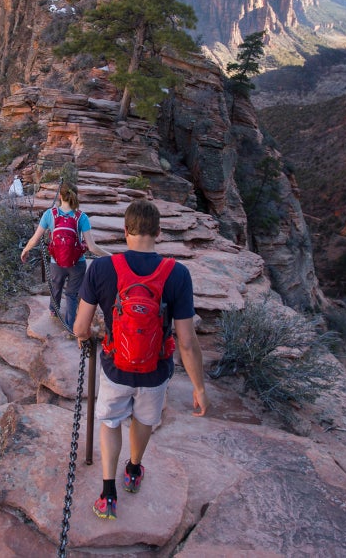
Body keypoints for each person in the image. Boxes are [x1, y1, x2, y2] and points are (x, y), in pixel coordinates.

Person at [72, 198, 208, 521]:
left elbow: (80, 326)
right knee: (144, 421)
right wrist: (199, 387)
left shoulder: (102, 269)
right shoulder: (178, 275)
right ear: (159, 232)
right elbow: (187, 342)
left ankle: (108, 494)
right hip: (155, 371)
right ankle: (133, 471)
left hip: (115, 366)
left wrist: (83, 339)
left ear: (125, 230)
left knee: (110, 421)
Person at [20, 181, 109, 329]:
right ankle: (70, 325)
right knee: (72, 295)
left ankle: (54, 310)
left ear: (60, 196)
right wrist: (111, 255)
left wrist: (25, 250)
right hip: (77, 262)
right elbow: (92, 247)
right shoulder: (82, 217)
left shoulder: (50, 214)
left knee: (56, 287)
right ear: (75, 196)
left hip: (56, 263)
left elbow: (35, 239)